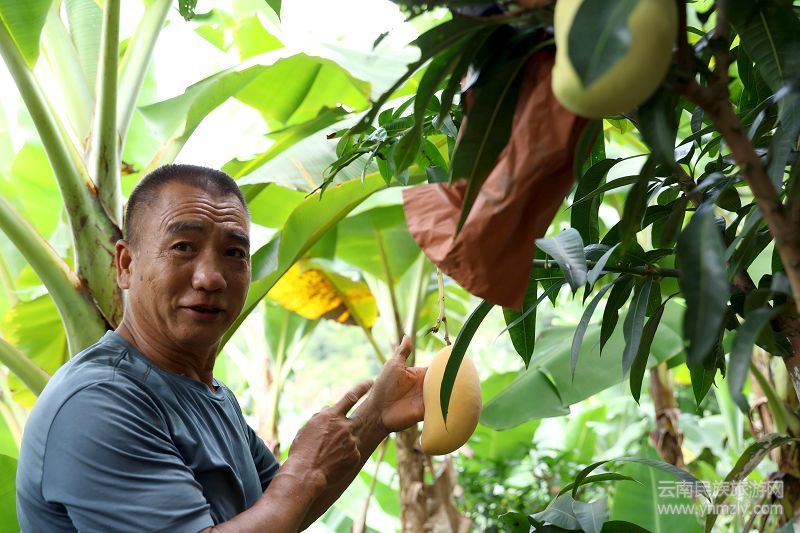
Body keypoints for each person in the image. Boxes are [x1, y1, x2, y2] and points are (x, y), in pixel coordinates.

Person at [16, 164, 427, 532]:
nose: (211, 278)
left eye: (234, 253)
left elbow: (283, 512)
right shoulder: (100, 401)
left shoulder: (210, 394)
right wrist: (304, 470)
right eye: (183, 247)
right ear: (125, 264)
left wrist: (377, 415)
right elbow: (294, 492)